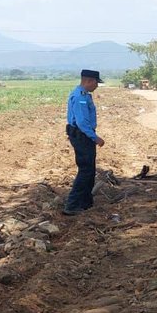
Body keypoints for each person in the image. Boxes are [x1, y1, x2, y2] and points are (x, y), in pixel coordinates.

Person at [64, 69, 105, 216]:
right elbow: (81, 122)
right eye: (96, 83)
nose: (96, 86)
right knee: (85, 171)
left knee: (89, 170)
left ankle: (86, 202)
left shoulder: (82, 94)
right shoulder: (80, 96)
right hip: (83, 136)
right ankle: (72, 204)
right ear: (89, 81)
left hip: (83, 136)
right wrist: (95, 137)